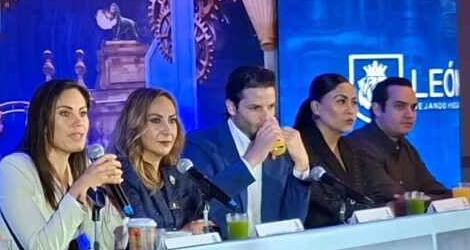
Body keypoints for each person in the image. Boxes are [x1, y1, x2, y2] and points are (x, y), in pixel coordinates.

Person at [0, 79, 127, 250]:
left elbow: (110, 247)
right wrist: (80, 187)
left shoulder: (80, 167)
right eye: (65, 113)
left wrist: (113, 204)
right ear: (43, 123)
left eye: (83, 113)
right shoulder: (13, 169)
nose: (78, 122)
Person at [184, 66, 310, 237]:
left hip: (271, 249)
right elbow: (202, 206)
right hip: (225, 249)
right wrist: (252, 158)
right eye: (255, 108)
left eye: (271, 106)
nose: (267, 117)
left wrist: (302, 167)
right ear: (232, 107)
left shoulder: (280, 148)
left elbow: (293, 221)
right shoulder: (201, 144)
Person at [293, 74, 384, 227]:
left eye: (354, 102)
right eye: (341, 101)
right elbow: (317, 202)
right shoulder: (299, 148)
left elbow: (372, 197)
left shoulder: (353, 148)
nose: (351, 110)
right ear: (316, 107)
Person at [111, 88, 207, 232]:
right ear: (134, 125)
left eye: (172, 120)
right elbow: (139, 234)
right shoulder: (121, 175)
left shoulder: (176, 172)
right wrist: (184, 234)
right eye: (156, 120)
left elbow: (199, 219)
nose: (168, 131)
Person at [348, 77, 447, 198]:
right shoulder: (358, 146)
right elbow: (397, 199)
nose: (409, 115)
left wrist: (460, 196)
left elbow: (434, 189)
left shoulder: (406, 147)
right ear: (377, 109)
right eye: (400, 106)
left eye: (413, 108)